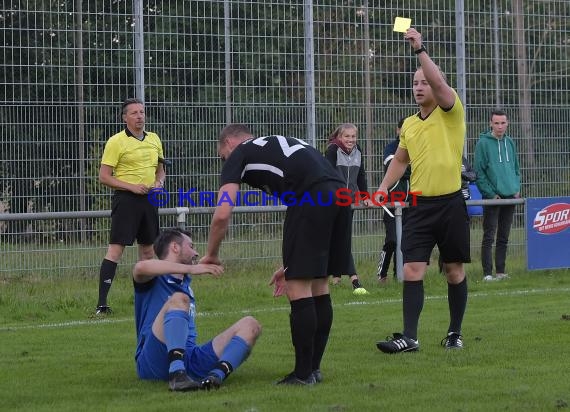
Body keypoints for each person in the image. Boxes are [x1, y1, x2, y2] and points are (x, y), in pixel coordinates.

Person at [200, 124, 354, 385]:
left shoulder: (239, 153)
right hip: (340, 194)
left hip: (310, 195)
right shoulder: (274, 143)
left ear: (229, 143)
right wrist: (290, 265)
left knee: (299, 288)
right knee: (319, 283)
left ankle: (303, 375)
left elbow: (222, 214)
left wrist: (211, 254)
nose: (224, 162)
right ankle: (313, 370)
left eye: (221, 156)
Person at [375, 27, 470, 353]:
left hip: (450, 204)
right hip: (418, 205)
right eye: (415, 83)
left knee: (454, 270)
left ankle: (454, 333)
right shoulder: (410, 125)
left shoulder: (451, 111)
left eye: (424, 82)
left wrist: (420, 49)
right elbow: (400, 161)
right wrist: (384, 187)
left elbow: (441, 83)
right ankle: (410, 337)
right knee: (411, 268)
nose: (419, 86)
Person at [133, 228, 261, 391]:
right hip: (153, 361)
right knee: (179, 299)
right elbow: (140, 267)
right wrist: (192, 269)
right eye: (191, 246)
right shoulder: (154, 278)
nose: (196, 252)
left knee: (251, 325)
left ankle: (215, 377)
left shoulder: (185, 285)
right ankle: (177, 375)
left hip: (189, 358)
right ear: (175, 247)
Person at [95, 98, 167, 315]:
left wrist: (159, 183)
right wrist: (132, 187)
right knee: (116, 250)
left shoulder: (154, 138)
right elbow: (104, 177)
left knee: (148, 251)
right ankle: (102, 304)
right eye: (134, 113)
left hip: (150, 201)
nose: (140, 117)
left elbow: (160, 169)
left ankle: (149, 301)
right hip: (126, 201)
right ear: (124, 117)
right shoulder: (116, 141)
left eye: (142, 112)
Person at [474, 109, 521, 282]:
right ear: (490, 124)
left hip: (510, 196)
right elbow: (479, 172)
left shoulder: (510, 143)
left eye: (503, 123)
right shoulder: (483, 144)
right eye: (496, 123)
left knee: (504, 236)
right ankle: (487, 274)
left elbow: (516, 168)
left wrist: (516, 187)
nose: (500, 126)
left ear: (507, 123)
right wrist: (491, 194)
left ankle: (500, 271)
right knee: (489, 235)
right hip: (493, 198)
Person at [324, 123, 370, 295]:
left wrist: (365, 197)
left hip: (349, 202)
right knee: (341, 239)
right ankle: (355, 280)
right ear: (340, 137)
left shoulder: (358, 150)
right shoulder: (332, 151)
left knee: (340, 238)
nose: (350, 140)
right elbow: (327, 175)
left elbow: (361, 175)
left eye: (353, 136)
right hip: (333, 202)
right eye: (347, 136)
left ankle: (336, 277)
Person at [377, 117, 411, 283]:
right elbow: (395, 166)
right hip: (390, 203)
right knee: (392, 240)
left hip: (410, 204)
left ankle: (400, 275)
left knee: (405, 241)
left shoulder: (417, 145)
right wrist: (407, 166)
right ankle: (381, 274)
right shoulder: (391, 147)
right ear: (398, 130)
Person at [438, 156, 477, 273]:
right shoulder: (444, 157)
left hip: (464, 202)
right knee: (445, 238)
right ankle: (443, 269)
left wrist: (466, 175)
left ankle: (455, 269)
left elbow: (473, 174)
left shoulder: (462, 158)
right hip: (448, 202)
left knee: (457, 239)